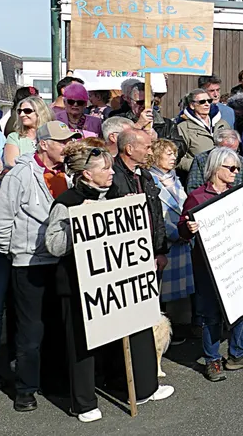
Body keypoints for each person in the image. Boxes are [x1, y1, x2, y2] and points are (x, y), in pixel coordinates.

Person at [44, 142, 173, 421]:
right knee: (83, 344)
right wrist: (80, 221)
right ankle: (84, 403)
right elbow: (53, 245)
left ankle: (142, 387)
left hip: (118, 282)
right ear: (87, 174)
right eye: (105, 168)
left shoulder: (116, 193)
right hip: (79, 286)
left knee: (130, 330)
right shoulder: (67, 201)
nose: (112, 172)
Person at [0, 121, 80, 411]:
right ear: (44, 144)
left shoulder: (68, 174)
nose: (67, 146)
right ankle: (25, 389)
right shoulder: (19, 175)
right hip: (28, 262)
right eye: (62, 141)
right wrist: (15, 252)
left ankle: (53, 381)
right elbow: (2, 220)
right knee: (30, 330)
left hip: (61, 259)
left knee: (56, 325)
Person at [180, 147, 243, 382]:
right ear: (215, 168)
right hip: (209, 267)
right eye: (231, 168)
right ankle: (212, 359)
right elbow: (182, 229)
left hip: (239, 262)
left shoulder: (239, 195)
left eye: (237, 168)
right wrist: (188, 228)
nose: (236, 172)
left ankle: (237, 354)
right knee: (211, 315)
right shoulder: (197, 196)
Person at [147, 139, 195, 337]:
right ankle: (164, 332)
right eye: (168, 154)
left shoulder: (175, 178)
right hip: (167, 242)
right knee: (164, 291)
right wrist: (177, 233)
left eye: (174, 154)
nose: (174, 157)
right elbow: (157, 214)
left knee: (181, 291)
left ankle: (181, 326)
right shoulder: (150, 180)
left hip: (183, 239)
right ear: (156, 156)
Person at [107, 128, 170, 269]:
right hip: (123, 257)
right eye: (147, 147)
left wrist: (160, 251)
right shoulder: (111, 178)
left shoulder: (146, 176)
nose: (150, 152)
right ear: (129, 149)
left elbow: (156, 215)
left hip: (148, 253)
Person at [110, 79, 186, 158]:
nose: (145, 106)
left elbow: (181, 149)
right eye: (140, 102)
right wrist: (137, 126)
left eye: (150, 102)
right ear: (130, 101)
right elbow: (114, 146)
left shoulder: (166, 124)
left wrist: (158, 140)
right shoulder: (119, 120)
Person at [176, 88, 233, 177]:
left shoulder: (223, 124)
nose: (207, 104)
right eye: (202, 102)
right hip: (198, 176)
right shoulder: (183, 128)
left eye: (209, 101)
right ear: (192, 105)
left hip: (224, 175)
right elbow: (177, 158)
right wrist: (199, 166)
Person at [185, 128, 243, 193]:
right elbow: (193, 188)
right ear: (216, 145)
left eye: (234, 150)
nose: (229, 153)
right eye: (224, 150)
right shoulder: (201, 159)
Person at [3, 95, 53, 169]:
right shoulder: (14, 137)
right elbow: (11, 164)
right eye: (19, 111)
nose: (22, 114)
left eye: (27, 111)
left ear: (40, 113)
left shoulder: (53, 136)